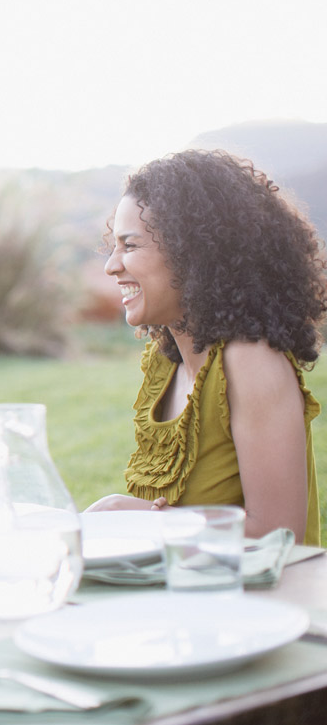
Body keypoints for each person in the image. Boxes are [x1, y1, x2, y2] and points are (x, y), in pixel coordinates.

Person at [89, 150, 326, 544]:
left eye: (129, 246)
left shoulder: (250, 362)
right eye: (114, 246)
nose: (111, 266)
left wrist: (130, 515)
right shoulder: (165, 363)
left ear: (192, 254)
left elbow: (278, 536)